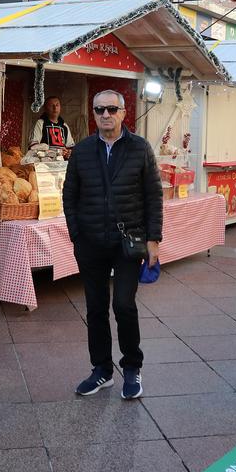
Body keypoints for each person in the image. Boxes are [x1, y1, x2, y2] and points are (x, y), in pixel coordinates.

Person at [64, 90, 163, 400]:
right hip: (91, 242)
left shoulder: (139, 148)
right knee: (95, 309)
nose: (105, 115)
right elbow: (70, 196)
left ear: (123, 113)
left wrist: (153, 239)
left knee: (123, 304)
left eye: (111, 109)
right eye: (99, 110)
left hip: (127, 243)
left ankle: (132, 367)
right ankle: (102, 370)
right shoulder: (81, 151)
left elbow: (153, 195)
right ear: (94, 114)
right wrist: (76, 236)